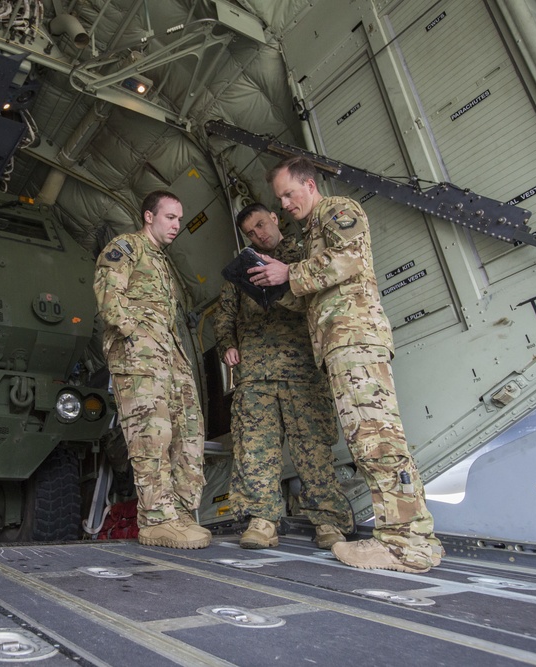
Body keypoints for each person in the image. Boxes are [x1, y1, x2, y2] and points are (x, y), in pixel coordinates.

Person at [249, 157, 442, 573]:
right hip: (340, 345)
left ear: (310, 185)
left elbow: (349, 258)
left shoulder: (339, 210)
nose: (284, 204)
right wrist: (274, 285)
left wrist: (291, 271)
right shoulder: (312, 232)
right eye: (279, 198)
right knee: (373, 437)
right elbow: (309, 294)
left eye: (288, 193)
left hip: (354, 339)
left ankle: (401, 544)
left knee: (375, 440)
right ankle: (418, 537)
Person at [215, 203, 355, 550]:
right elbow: (224, 315)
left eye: (262, 225)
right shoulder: (244, 266)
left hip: (303, 369)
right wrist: (227, 345)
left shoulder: (304, 254)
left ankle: (328, 522)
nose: (259, 234)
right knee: (255, 449)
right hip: (256, 372)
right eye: (251, 232)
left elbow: (323, 299)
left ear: (275, 219)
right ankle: (262, 521)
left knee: (313, 449)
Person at [93, 190, 212, 549]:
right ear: (149, 216)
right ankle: (156, 519)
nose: (177, 225)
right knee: (152, 434)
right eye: (170, 217)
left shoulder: (162, 263)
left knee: (188, 432)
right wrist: (133, 336)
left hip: (170, 358)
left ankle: (179, 513)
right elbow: (109, 297)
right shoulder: (127, 247)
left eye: (179, 219)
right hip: (142, 357)